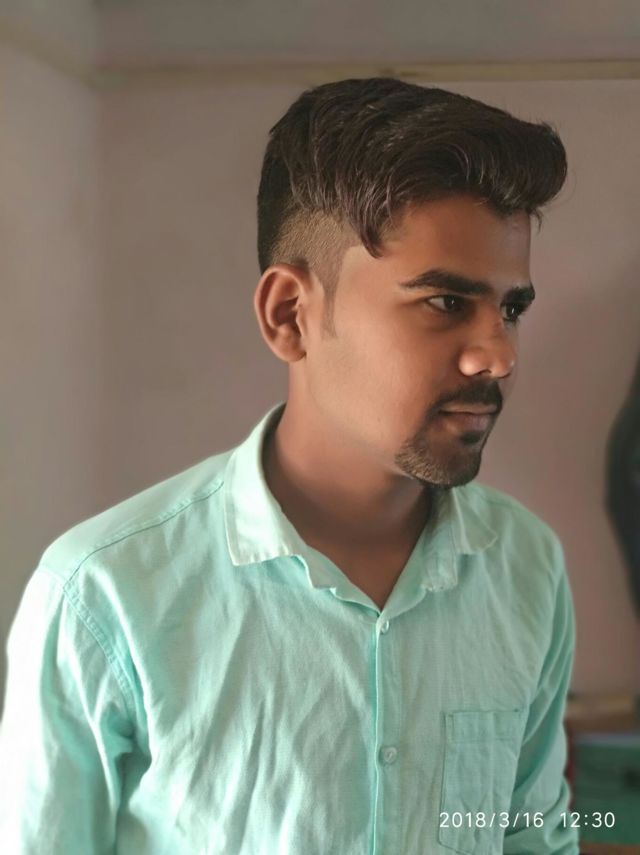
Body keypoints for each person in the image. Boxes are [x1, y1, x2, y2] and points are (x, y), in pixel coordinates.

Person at [0, 77, 579, 854]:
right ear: (290, 315)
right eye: (446, 302)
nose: (499, 355)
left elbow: (532, 836)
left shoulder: (528, 569)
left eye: (511, 308)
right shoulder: (103, 596)